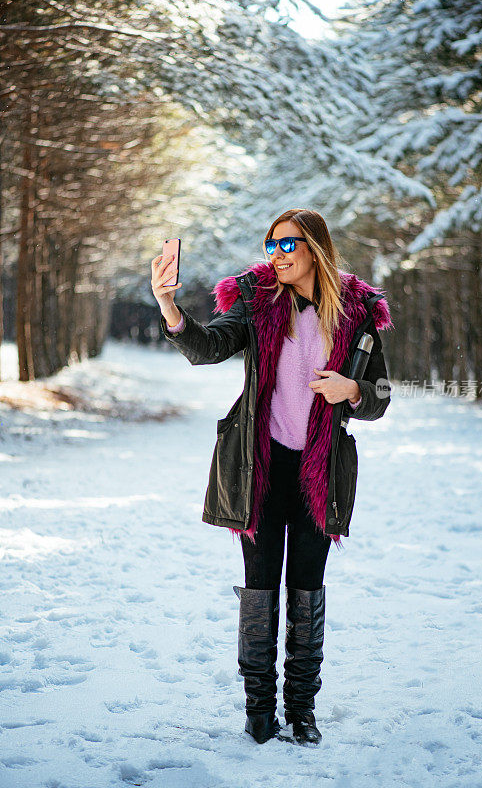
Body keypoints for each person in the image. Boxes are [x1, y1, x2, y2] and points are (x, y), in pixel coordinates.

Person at [151, 208, 393, 746]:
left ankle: (302, 710)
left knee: (307, 589)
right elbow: (207, 348)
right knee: (259, 590)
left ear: (315, 249)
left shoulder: (356, 313)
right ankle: (259, 709)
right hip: (258, 468)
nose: (277, 256)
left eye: (288, 245)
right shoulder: (258, 303)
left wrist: (351, 393)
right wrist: (169, 305)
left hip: (319, 473)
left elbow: (379, 397)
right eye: (271, 246)